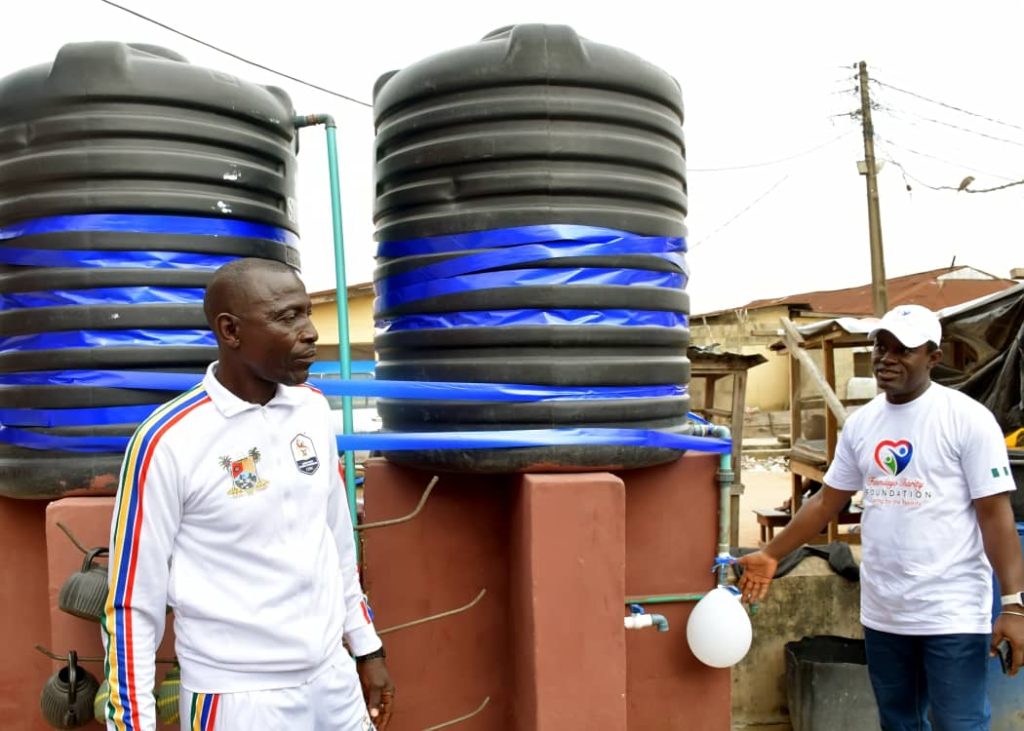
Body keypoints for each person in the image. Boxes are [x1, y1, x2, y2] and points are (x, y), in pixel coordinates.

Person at [102, 258, 395, 731]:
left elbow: (336, 544)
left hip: (333, 680)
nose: (310, 332)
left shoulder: (312, 409)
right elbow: (133, 602)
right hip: (238, 698)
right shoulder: (168, 440)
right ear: (230, 330)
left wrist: (366, 647)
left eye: (306, 313)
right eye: (287, 317)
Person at [738, 304, 1024, 730]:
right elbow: (825, 503)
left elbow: (996, 517)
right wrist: (770, 554)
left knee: (960, 724)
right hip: (885, 613)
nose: (886, 359)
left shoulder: (966, 420)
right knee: (898, 723)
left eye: (903, 350)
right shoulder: (863, 424)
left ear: (933, 357)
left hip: (952, 612)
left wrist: (1014, 606)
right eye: (880, 347)